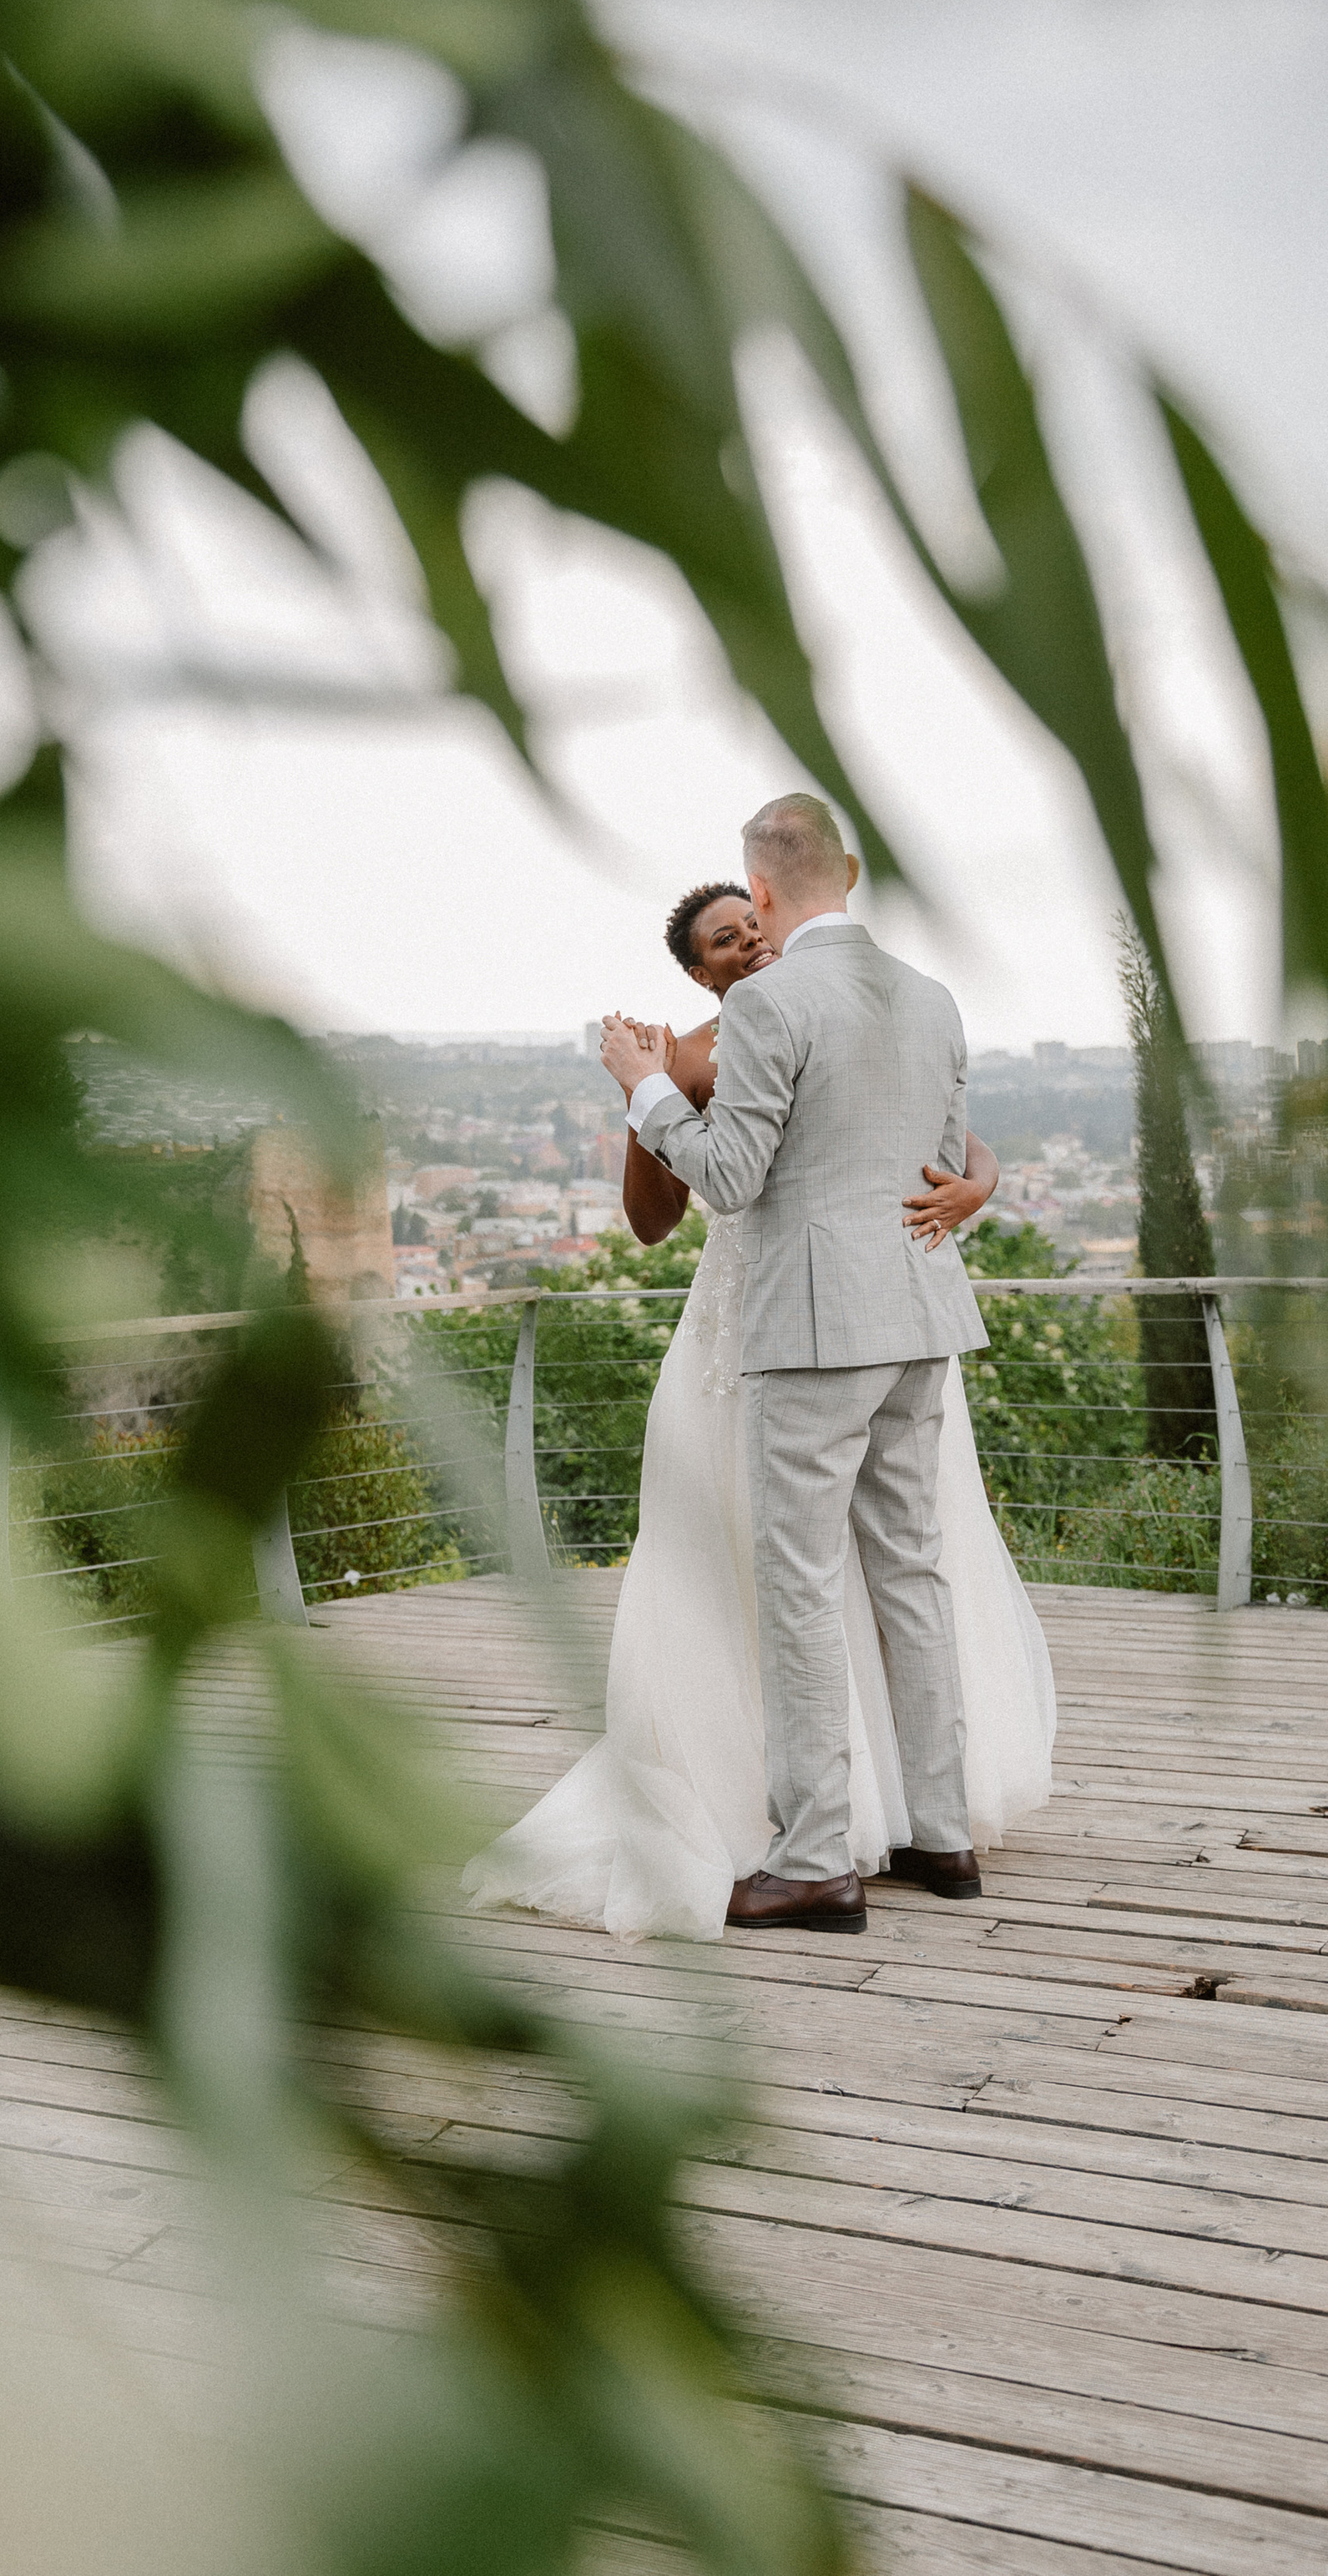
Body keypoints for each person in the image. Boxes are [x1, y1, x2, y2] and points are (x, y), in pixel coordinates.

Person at [463, 805, 1053, 1944]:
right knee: (909, 1573)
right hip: (919, 1318)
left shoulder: (776, 1004)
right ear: (854, 872)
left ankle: (815, 1859)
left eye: (749, 913)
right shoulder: (929, 997)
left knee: (791, 1587)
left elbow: (728, 1181)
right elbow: (937, 1156)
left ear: (765, 891)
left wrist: (639, 1085)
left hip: (814, 1330)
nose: (745, 938)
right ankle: (943, 1834)